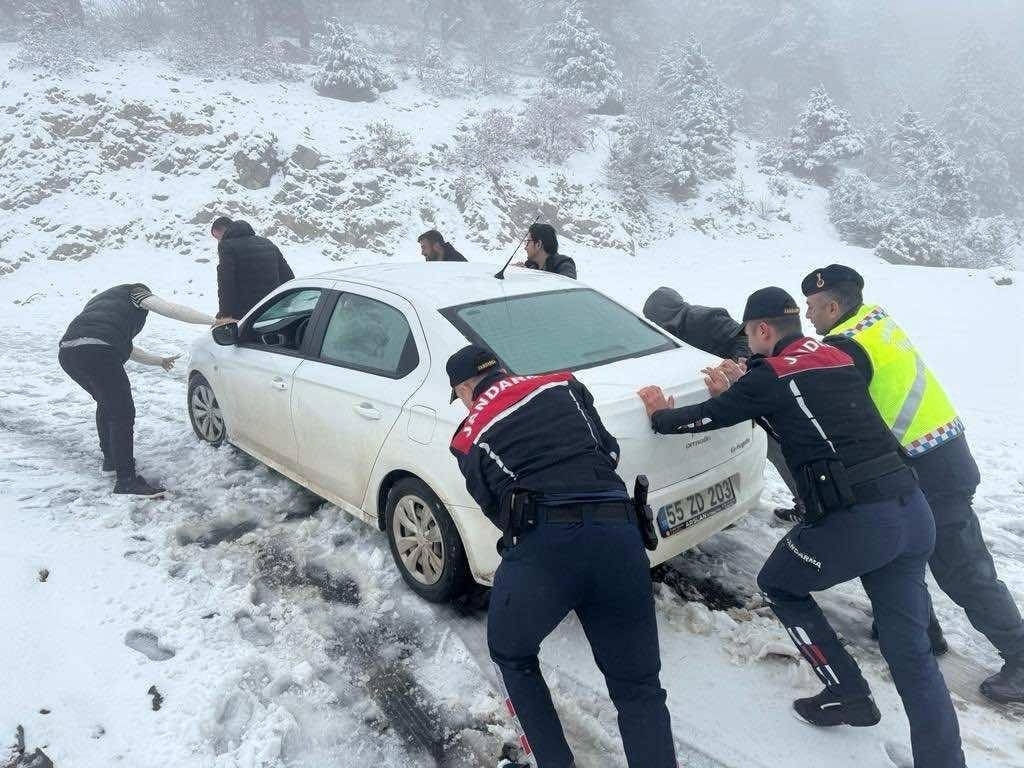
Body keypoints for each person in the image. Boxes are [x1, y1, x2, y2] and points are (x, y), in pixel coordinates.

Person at [638, 287, 964, 768]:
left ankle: (846, 691)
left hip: (861, 522)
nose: (748, 344)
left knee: (779, 583)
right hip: (912, 512)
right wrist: (746, 389)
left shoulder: (768, 375)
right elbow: (803, 413)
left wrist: (658, 413)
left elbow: (702, 418)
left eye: (750, 336)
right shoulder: (835, 355)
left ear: (763, 330)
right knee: (911, 654)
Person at [802, 263, 1024, 703]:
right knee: (901, 547)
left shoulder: (847, 346)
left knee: (962, 570)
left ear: (832, 305)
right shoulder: (875, 322)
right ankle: (920, 627)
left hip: (932, 469)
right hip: (940, 454)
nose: (809, 316)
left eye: (811, 307)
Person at [447, 345, 675, 768]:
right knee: (639, 686)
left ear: (464, 389)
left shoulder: (467, 435)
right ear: (500, 368)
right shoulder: (562, 383)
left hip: (546, 550)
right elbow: (608, 451)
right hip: (619, 536)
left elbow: (497, 508)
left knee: (511, 652)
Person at [643, 286, 804, 523]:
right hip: (731, 389)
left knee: (775, 445)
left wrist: (736, 364)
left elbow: (740, 337)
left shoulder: (704, 318)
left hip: (745, 387)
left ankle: (806, 503)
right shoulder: (671, 331)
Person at [59, 284, 215, 497]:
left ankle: (111, 462)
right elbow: (170, 309)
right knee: (122, 413)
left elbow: (122, 346)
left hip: (68, 354)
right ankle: (126, 481)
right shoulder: (135, 291)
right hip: (98, 352)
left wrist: (159, 361)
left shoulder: (98, 305)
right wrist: (215, 321)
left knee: (107, 404)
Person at [214, 218, 294, 322]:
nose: (218, 241)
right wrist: (284, 305)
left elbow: (226, 283)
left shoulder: (226, 246)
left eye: (217, 237)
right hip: (273, 310)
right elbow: (289, 277)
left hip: (247, 315)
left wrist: (224, 315)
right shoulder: (267, 242)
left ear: (225, 230)